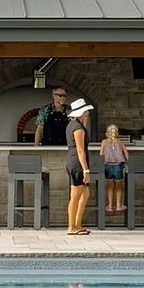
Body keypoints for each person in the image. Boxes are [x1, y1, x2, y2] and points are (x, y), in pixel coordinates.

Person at [66, 98, 94, 235]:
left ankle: (77, 224)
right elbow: (80, 150)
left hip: (75, 161)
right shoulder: (78, 128)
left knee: (85, 193)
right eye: (85, 112)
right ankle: (72, 226)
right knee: (76, 195)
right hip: (77, 163)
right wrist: (86, 169)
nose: (87, 114)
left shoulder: (74, 125)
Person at [100, 124, 129, 213]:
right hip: (118, 167)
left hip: (107, 166)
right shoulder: (120, 143)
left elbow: (101, 155)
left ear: (106, 133)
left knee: (110, 187)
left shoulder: (104, 142)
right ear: (117, 133)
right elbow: (126, 154)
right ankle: (118, 205)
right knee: (119, 187)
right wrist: (127, 164)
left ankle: (109, 205)